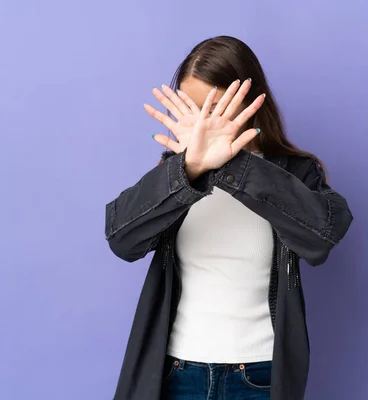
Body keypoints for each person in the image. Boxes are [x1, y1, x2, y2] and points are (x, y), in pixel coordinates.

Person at [105, 36, 353, 400]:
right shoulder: (176, 173)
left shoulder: (295, 173)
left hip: (258, 376)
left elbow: (321, 238)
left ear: (251, 101)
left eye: (216, 107)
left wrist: (232, 163)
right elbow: (122, 240)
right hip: (177, 374)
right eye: (193, 108)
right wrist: (188, 169)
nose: (204, 124)